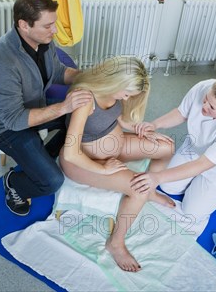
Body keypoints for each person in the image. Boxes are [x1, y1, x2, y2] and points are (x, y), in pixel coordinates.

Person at [0, 0, 92, 216]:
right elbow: (14, 119)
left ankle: (42, 157)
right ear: (24, 25)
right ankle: (14, 182)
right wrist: (63, 107)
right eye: (48, 25)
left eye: (54, 24)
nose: (55, 30)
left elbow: (58, 72)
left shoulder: (43, 41)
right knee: (51, 181)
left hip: (34, 105)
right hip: (6, 127)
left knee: (82, 115)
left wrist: (90, 77)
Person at [59, 56, 175, 273]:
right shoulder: (85, 100)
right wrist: (103, 169)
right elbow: (71, 152)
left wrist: (138, 128)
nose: (127, 98)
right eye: (127, 93)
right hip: (84, 162)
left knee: (166, 148)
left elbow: (117, 117)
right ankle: (116, 243)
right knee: (138, 187)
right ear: (115, 83)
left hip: (114, 148)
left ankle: (150, 190)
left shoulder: (111, 91)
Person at [131, 73, 216, 236]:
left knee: (191, 212)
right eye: (205, 100)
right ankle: (190, 183)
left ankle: (200, 190)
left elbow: (202, 165)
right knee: (169, 186)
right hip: (196, 149)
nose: (204, 106)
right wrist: (154, 124)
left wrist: (157, 177)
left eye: (211, 108)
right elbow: (182, 112)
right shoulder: (206, 86)